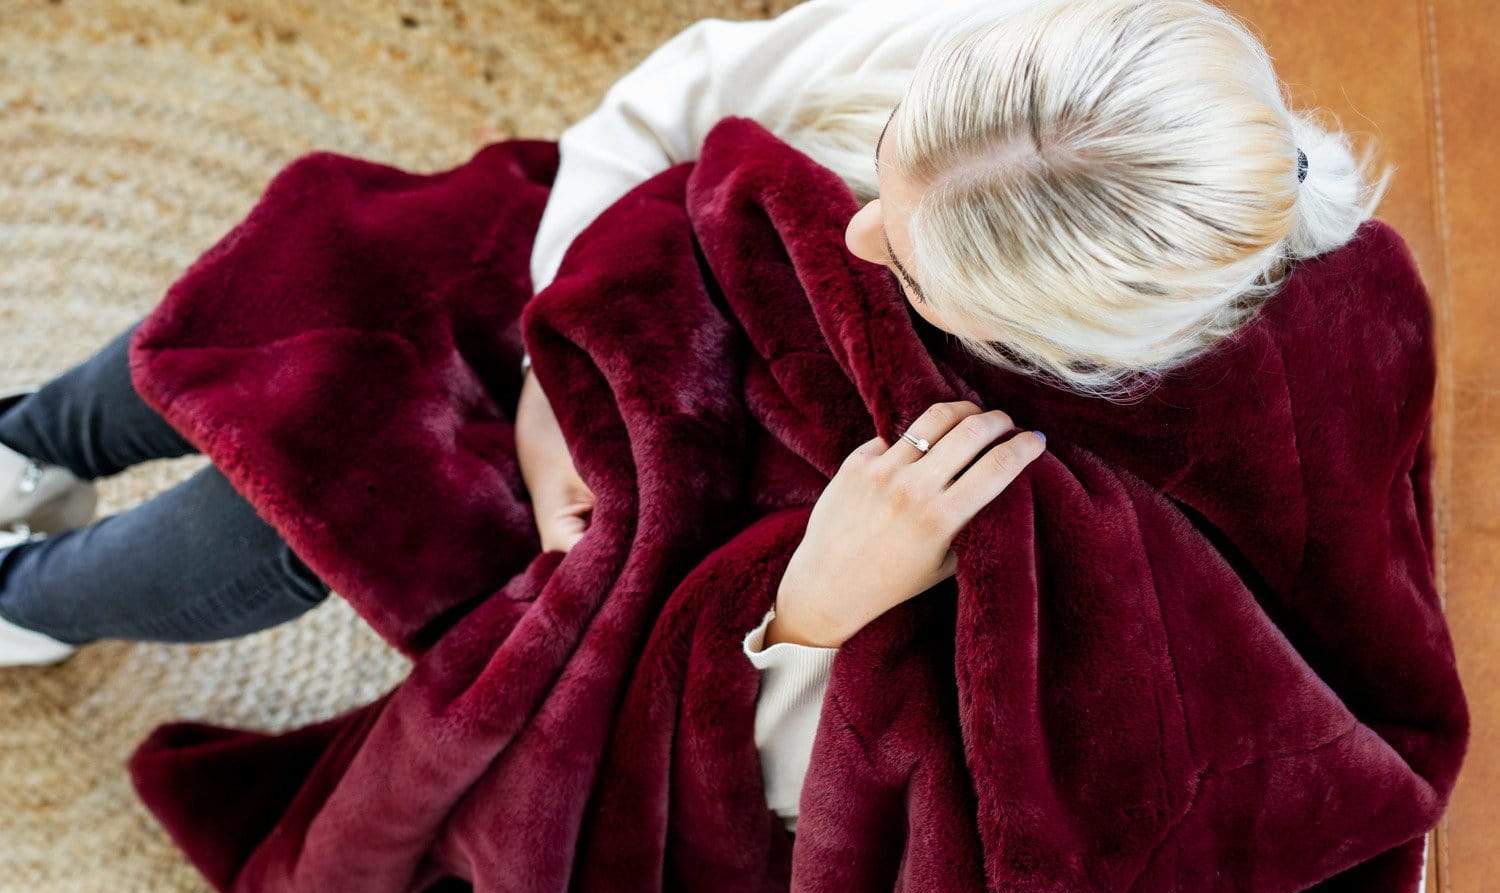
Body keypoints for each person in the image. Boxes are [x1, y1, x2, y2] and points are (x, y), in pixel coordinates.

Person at [0, 0, 1389, 837]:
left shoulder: (1127, 471)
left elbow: (844, 780)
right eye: (885, 170)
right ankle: (36, 440)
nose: (855, 235)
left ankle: (31, 600)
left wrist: (818, 610)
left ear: (1044, 347)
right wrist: (547, 353)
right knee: (305, 295)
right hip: (593, 262)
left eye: (910, 268)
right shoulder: (1010, 56)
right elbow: (678, 98)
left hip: (676, 531)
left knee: (322, 499)